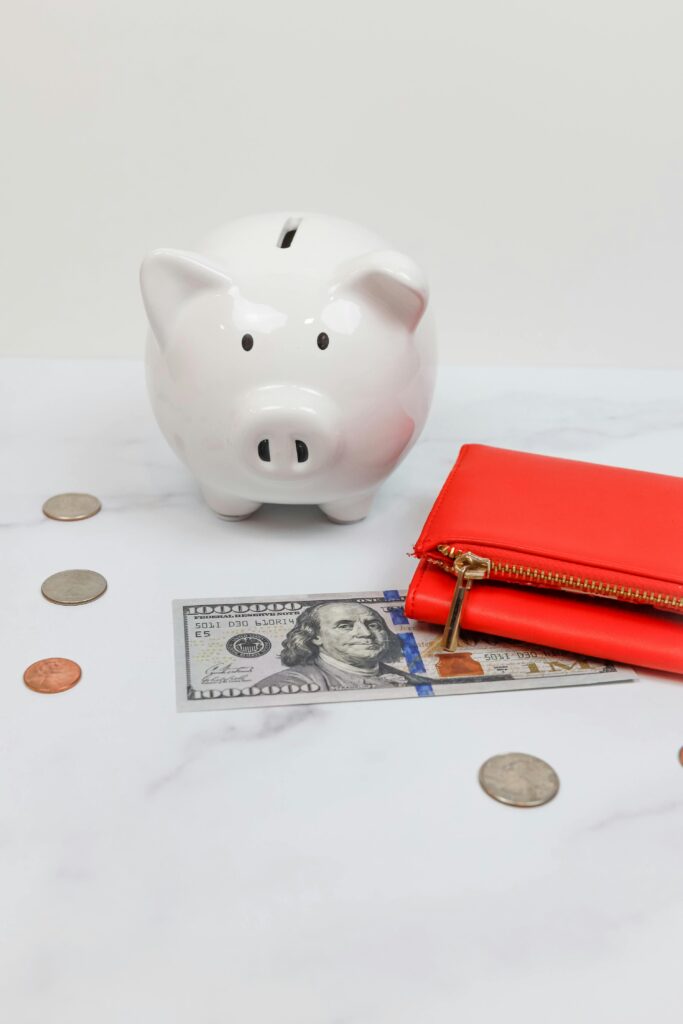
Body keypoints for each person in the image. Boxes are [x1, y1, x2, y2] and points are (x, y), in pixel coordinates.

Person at [253, 601, 420, 691]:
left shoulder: (419, 682)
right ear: (315, 637)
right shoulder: (286, 684)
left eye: (374, 625)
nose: (366, 633)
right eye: (344, 626)